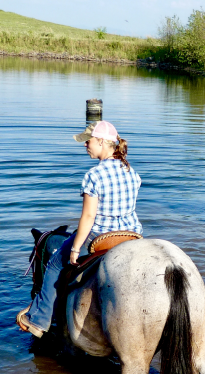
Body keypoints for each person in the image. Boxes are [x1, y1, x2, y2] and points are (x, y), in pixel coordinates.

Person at [17, 120, 142, 338]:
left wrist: (75, 249)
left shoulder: (93, 175)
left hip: (100, 236)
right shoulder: (131, 171)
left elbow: (88, 216)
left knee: (56, 263)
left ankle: (39, 320)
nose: (85, 145)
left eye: (88, 141)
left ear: (102, 142)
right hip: (132, 236)